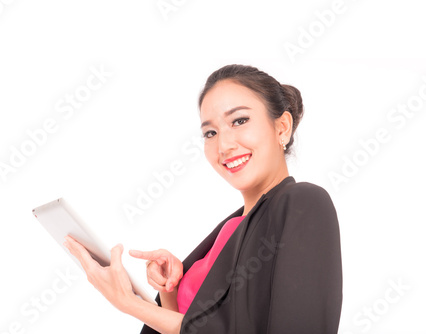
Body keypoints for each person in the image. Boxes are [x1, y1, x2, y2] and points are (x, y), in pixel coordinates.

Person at [63, 64, 343, 333]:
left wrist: (131, 303)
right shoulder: (229, 229)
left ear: (282, 127)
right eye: (211, 133)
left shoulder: (303, 203)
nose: (224, 145)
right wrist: (170, 292)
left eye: (240, 121)